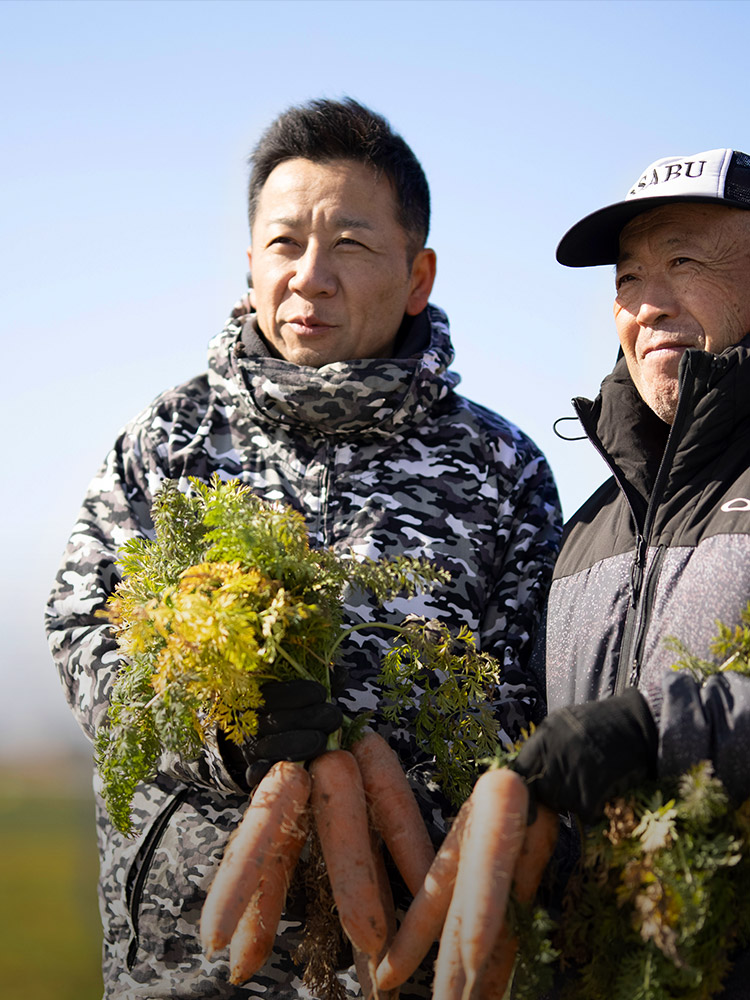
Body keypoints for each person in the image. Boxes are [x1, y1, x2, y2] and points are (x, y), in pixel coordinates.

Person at [45, 97, 561, 999]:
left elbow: (524, 705)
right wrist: (223, 732)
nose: (310, 276)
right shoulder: (167, 443)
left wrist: (377, 768)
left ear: (417, 275)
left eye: (350, 246)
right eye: (285, 244)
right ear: (250, 266)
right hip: (189, 963)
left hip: (411, 956)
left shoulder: (502, 466)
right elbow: (84, 629)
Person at [514, 147, 750, 994]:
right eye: (627, 276)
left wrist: (660, 732)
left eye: (683, 262)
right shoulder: (586, 533)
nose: (646, 304)